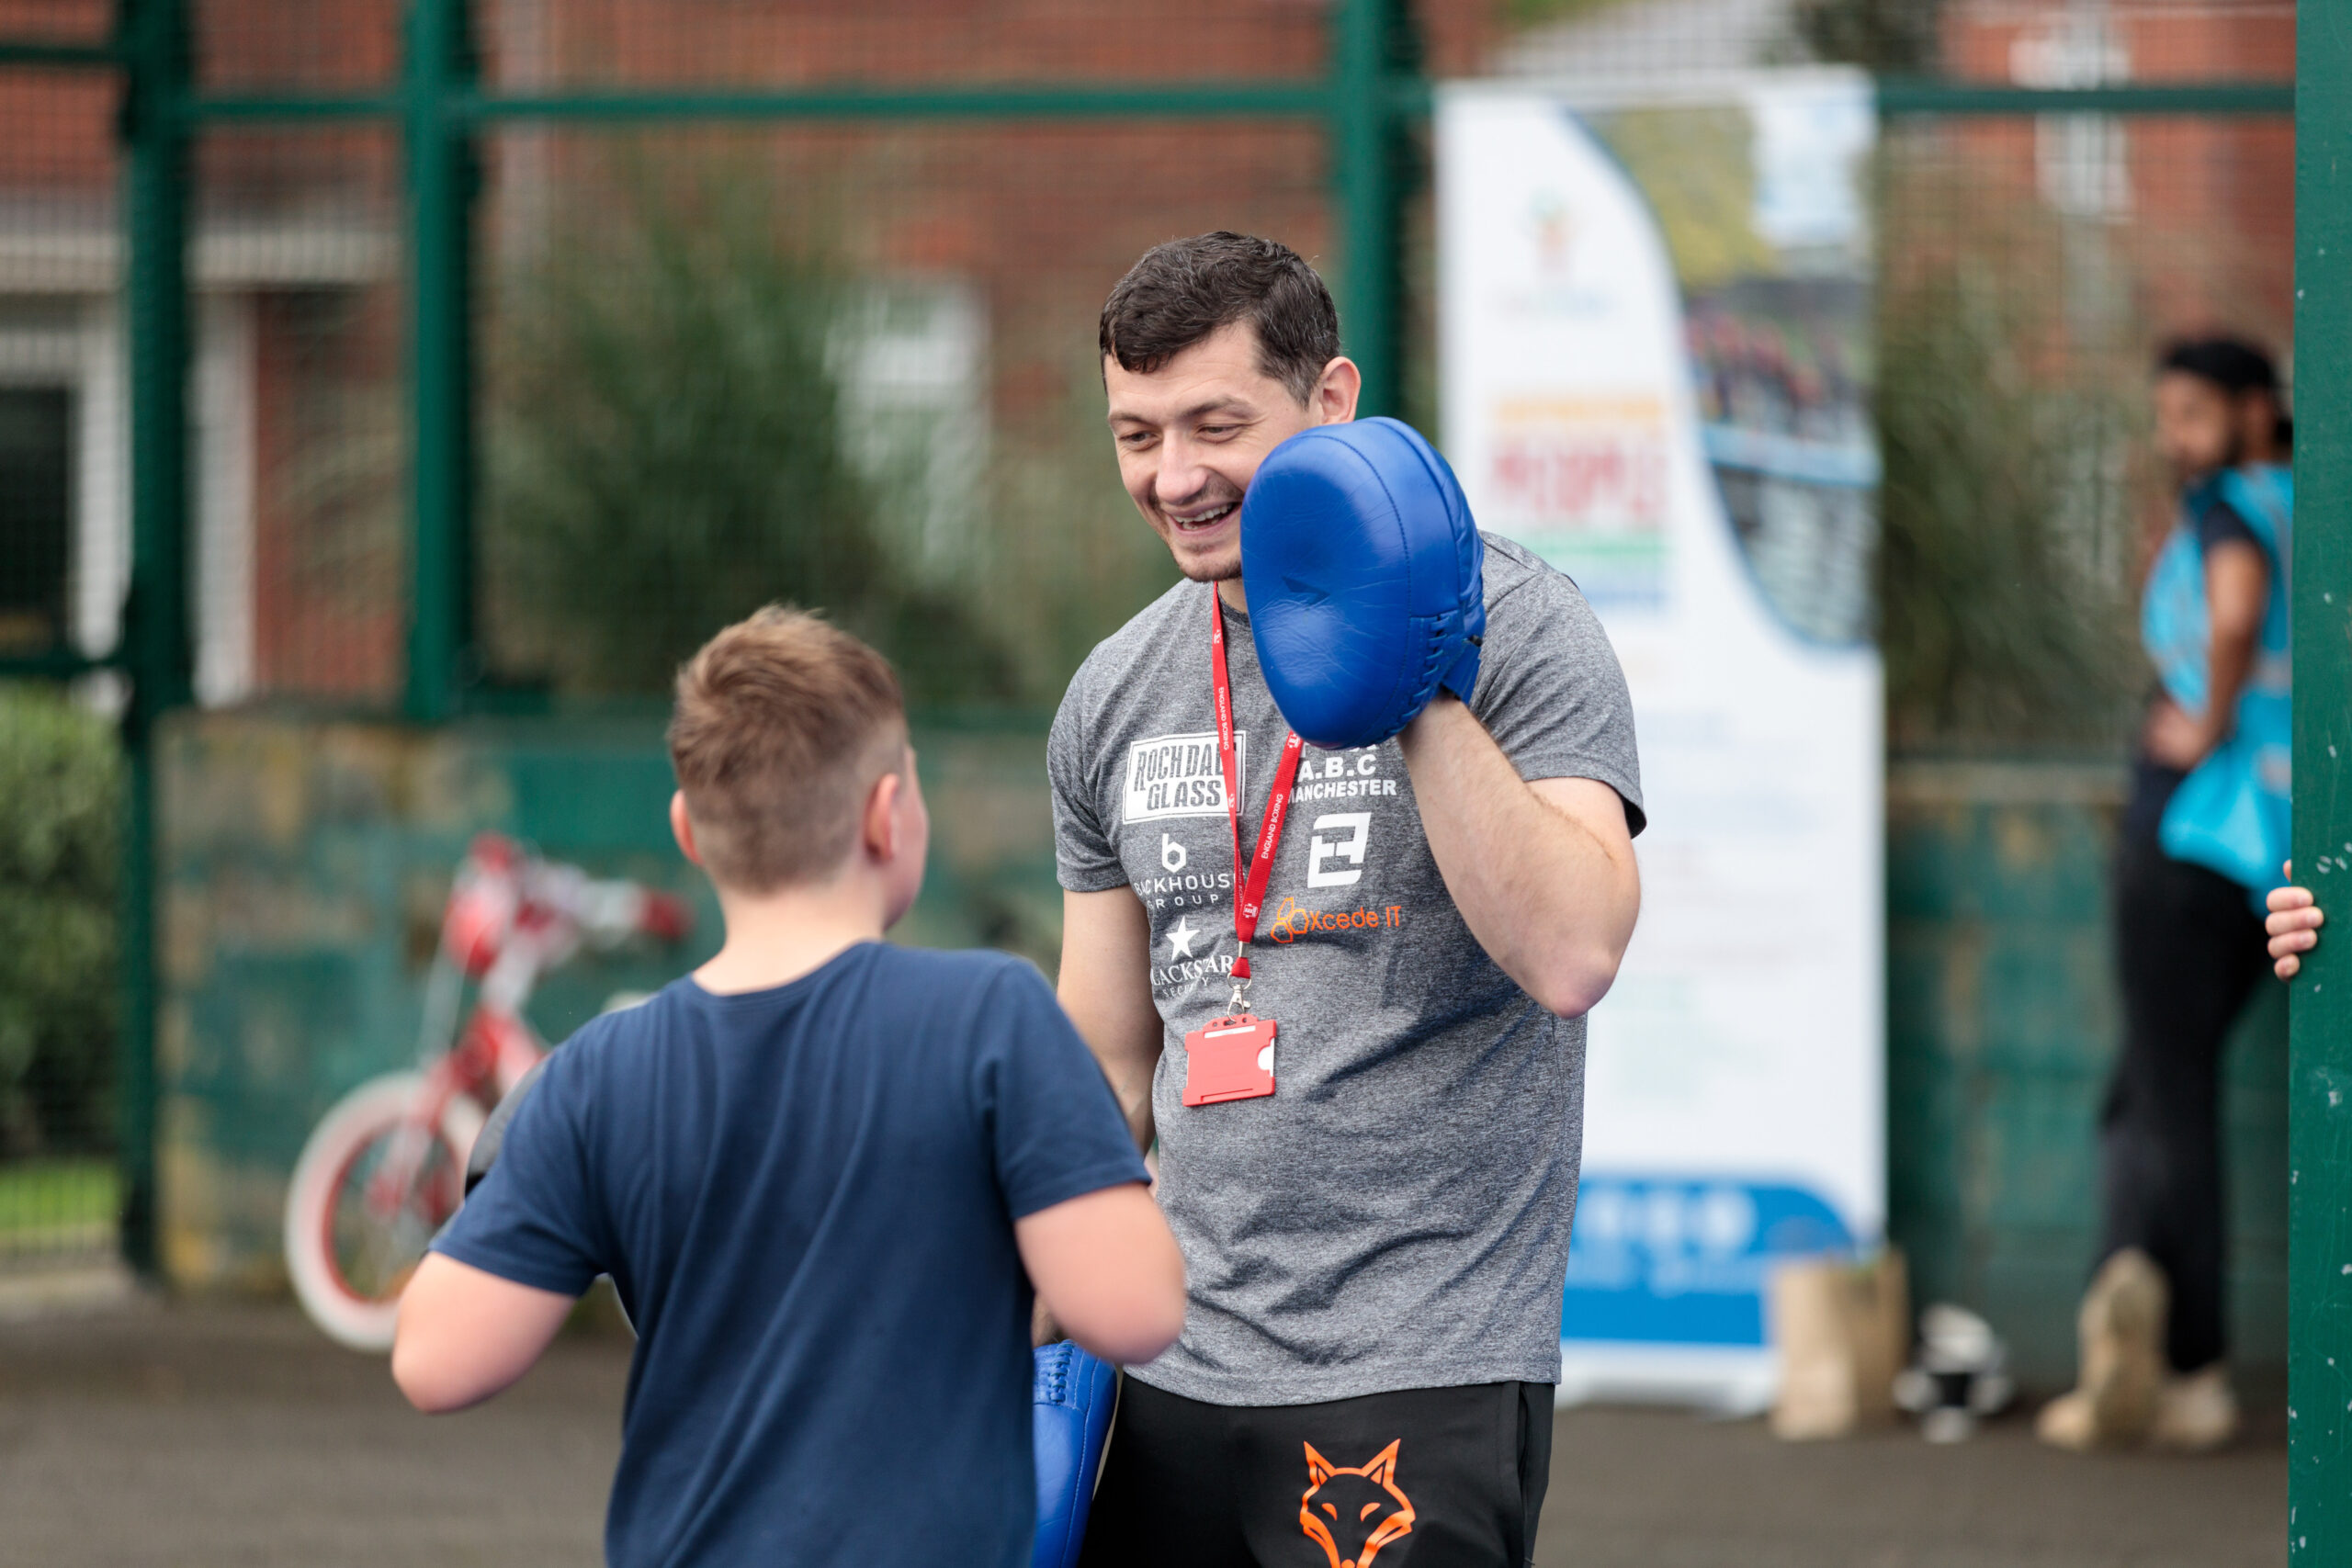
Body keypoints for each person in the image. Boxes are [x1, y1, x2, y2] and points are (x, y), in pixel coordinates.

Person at [1050, 232, 1643, 1565]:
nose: (1174, 476)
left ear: (1330, 401)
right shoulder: (1113, 692)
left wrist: (1409, 675)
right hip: (1169, 1365)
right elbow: (1104, 1060)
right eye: (1137, 435)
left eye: (1215, 426)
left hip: (1418, 1363)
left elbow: (1573, 951)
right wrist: (1022, 1311)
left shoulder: (1520, 625)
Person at [390, 607, 1185, 1567]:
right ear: (889, 815)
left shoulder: (599, 1074)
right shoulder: (992, 1022)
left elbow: (434, 1361)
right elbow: (1139, 1308)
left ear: (687, 831)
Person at [2037, 337, 2292, 1454]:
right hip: (2272, 844)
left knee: (2165, 1098)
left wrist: (2206, 719)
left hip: (2194, 833)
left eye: (2191, 413)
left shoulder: (2229, 509)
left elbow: (2231, 614)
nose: (2170, 438)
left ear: (2253, 411)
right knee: (2140, 1094)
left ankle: (2186, 1365)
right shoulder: (2307, 505)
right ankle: (2124, 1316)